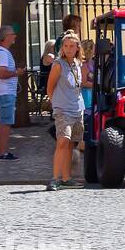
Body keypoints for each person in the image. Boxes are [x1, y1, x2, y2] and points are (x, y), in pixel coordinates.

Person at [46, 32, 88, 190]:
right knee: (62, 141)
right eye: (66, 46)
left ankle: (66, 178)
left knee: (71, 144)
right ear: (62, 48)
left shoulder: (78, 63)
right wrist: (56, 103)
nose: (69, 49)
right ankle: (55, 179)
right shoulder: (58, 65)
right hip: (63, 109)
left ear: (77, 47)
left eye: (72, 46)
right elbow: (50, 88)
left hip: (77, 109)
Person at [0, 25, 27, 161]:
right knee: (6, 123)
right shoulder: (2, 53)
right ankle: (3, 153)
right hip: (6, 93)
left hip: (3, 92)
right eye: (13, 34)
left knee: (2, 123)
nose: (15, 36)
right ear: (6, 36)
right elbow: (2, 73)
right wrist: (16, 72)